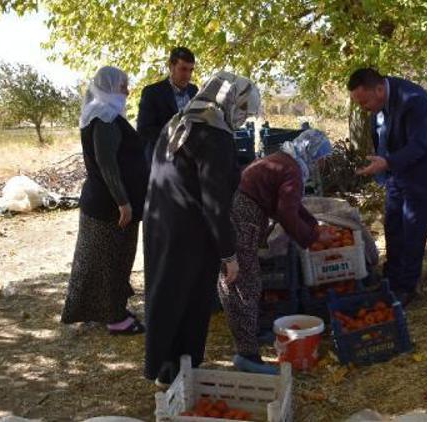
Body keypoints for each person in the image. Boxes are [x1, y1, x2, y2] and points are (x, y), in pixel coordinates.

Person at [143, 71, 261, 387]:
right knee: (189, 300)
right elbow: (215, 203)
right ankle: (178, 371)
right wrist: (229, 253)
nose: (242, 117)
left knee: (167, 293)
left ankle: (167, 369)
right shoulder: (214, 135)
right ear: (229, 100)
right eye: (242, 108)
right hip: (191, 231)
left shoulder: (179, 122)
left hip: (160, 223)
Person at [219, 129, 334, 374]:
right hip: (244, 217)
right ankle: (246, 355)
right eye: (321, 157)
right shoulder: (292, 170)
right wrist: (312, 237)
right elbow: (286, 213)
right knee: (242, 283)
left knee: (247, 280)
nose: (321, 163)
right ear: (311, 152)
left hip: (241, 212)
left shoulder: (286, 161)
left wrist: (312, 226)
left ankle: (249, 335)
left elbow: (291, 205)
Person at [347, 67, 427, 306]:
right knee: (393, 225)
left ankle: (407, 288)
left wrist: (387, 162)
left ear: (378, 88)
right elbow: (383, 136)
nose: (363, 108)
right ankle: (392, 277)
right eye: (359, 103)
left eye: (364, 102)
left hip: (423, 175)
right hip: (397, 173)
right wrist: (384, 164)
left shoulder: (414, 100)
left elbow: (419, 146)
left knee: (412, 231)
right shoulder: (377, 101)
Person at [61, 66, 149, 335]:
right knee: (111, 262)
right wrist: (123, 201)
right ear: (110, 87)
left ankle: (109, 309)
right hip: (109, 207)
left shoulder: (103, 115)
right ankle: (114, 318)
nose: (127, 90)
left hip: (105, 204)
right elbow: (107, 164)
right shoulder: (105, 119)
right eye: (123, 86)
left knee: (103, 261)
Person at [137, 47, 198, 163]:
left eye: (191, 70)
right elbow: (144, 129)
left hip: (190, 162)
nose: (188, 75)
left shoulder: (193, 90)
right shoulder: (152, 92)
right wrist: (175, 136)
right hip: (163, 162)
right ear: (171, 67)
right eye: (183, 69)